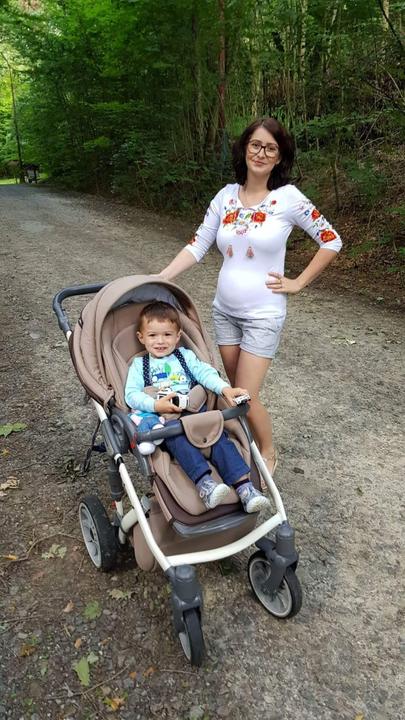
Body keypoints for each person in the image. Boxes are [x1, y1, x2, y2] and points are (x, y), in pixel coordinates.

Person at [157, 117, 342, 478]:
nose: (261, 153)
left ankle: (268, 451)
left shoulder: (288, 198)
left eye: (271, 148)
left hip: (263, 314)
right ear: (244, 149)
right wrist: (162, 276)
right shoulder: (225, 197)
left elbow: (331, 240)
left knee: (244, 395)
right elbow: (198, 244)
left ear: (279, 157)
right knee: (233, 393)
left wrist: (298, 282)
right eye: (255, 145)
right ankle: (245, 444)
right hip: (224, 312)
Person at [125, 301, 270, 514]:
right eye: (153, 335)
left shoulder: (185, 356)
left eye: (167, 335)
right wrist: (155, 404)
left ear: (178, 336)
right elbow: (131, 395)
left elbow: (205, 373)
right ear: (141, 337)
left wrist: (224, 389)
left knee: (220, 440)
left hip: (195, 412)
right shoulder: (139, 365)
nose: (160, 341)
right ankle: (205, 485)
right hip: (167, 419)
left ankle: (245, 488)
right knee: (179, 442)